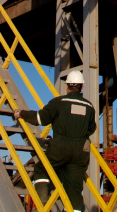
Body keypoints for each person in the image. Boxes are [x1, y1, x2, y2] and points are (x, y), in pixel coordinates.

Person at [13, 70, 96, 212]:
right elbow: (92, 129)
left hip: (60, 148)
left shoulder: (59, 102)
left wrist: (21, 114)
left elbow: (39, 118)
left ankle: (43, 202)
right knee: (74, 191)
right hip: (80, 152)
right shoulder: (89, 107)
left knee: (41, 169)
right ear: (82, 88)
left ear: (67, 86)